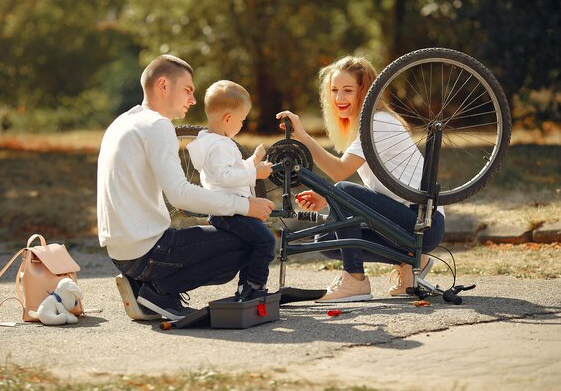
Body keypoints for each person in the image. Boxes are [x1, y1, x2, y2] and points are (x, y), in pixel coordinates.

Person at [97, 55, 275, 321]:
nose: (193, 100)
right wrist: (246, 206)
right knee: (247, 242)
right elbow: (180, 194)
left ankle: (144, 288)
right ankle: (158, 291)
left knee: (224, 236)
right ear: (163, 85)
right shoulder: (157, 125)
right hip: (147, 252)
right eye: (188, 90)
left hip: (121, 252)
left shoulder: (123, 121)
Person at [276, 55, 445, 303]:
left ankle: (355, 280)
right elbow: (377, 189)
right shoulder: (366, 124)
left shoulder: (378, 123)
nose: (339, 98)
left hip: (422, 222)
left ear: (364, 91)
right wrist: (328, 197)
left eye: (347, 90)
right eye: (334, 90)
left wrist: (302, 136)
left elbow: (339, 172)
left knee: (344, 188)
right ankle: (411, 261)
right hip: (403, 219)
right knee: (325, 240)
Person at [186, 80, 275, 302]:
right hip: (229, 211)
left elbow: (229, 172)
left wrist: (252, 162)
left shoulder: (215, 142)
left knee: (254, 242)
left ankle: (248, 287)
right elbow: (224, 177)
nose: (243, 125)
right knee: (266, 241)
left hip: (231, 208)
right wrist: (256, 173)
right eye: (242, 120)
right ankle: (254, 286)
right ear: (228, 118)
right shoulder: (219, 145)